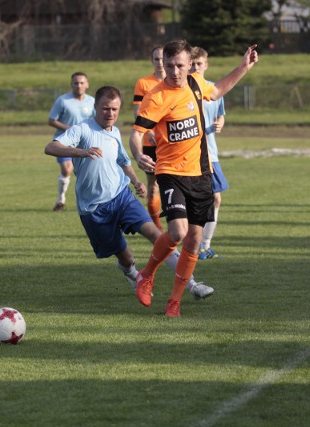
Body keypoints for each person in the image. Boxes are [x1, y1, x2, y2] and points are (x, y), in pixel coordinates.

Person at [44, 86, 214, 300]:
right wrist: (81, 152)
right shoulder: (82, 129)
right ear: (95, 107)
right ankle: (133, 275)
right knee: (124, 256)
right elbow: (51, 147)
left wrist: (136, 181)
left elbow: (123, 161)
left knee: (157, 235)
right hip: (94, 209)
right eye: (105, 108)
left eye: (115, 109)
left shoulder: (114, 132)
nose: (110, 114)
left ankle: (192, 285)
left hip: (121, 197)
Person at [129, 39, 259, 317]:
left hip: (200, 173)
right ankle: (147, 274)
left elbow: (220, 89)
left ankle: (174, 301)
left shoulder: (197, 84)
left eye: (179, 65)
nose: (174, 71)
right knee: (178, 232)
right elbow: (136, 133)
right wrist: (138, 155)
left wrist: (243, 67)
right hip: (170, 172)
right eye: (168, 65)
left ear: (190, 65)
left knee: (194, 241)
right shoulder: (156, 96)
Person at [190, 46, 227, 260]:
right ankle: (191, 244)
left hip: (210, 154)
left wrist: (220, 123)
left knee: (215, 198)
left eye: (199, 64)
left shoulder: (214, 90)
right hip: (188, 155)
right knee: (191, 201)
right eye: (192, 64)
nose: (195, 67)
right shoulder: (183, 90)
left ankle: (205, 245)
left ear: (206, 65)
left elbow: (221, 114)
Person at [48, 72, 95, 212]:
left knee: (88, 173)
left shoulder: (92, 101)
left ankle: (89, 202)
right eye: (76, 83)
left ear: (87, 84)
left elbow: (96, 121)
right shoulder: (63, 101)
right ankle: (61, 198)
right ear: (71, 85)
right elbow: (51, 120)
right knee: (67, 169)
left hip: (85, 143)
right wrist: (69, 129)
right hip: (64, 142)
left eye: (82, 83)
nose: (79, 86)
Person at [133, 45, 166, 230]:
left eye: (163, 59)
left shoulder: (177, 81)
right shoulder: (144, 83)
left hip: (171, 142)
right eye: (156, 59)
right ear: (151, 61)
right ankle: (157, 228)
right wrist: (148, 131)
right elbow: (137, 112)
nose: (160, 63)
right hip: (150, 142)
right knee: (153, 185)